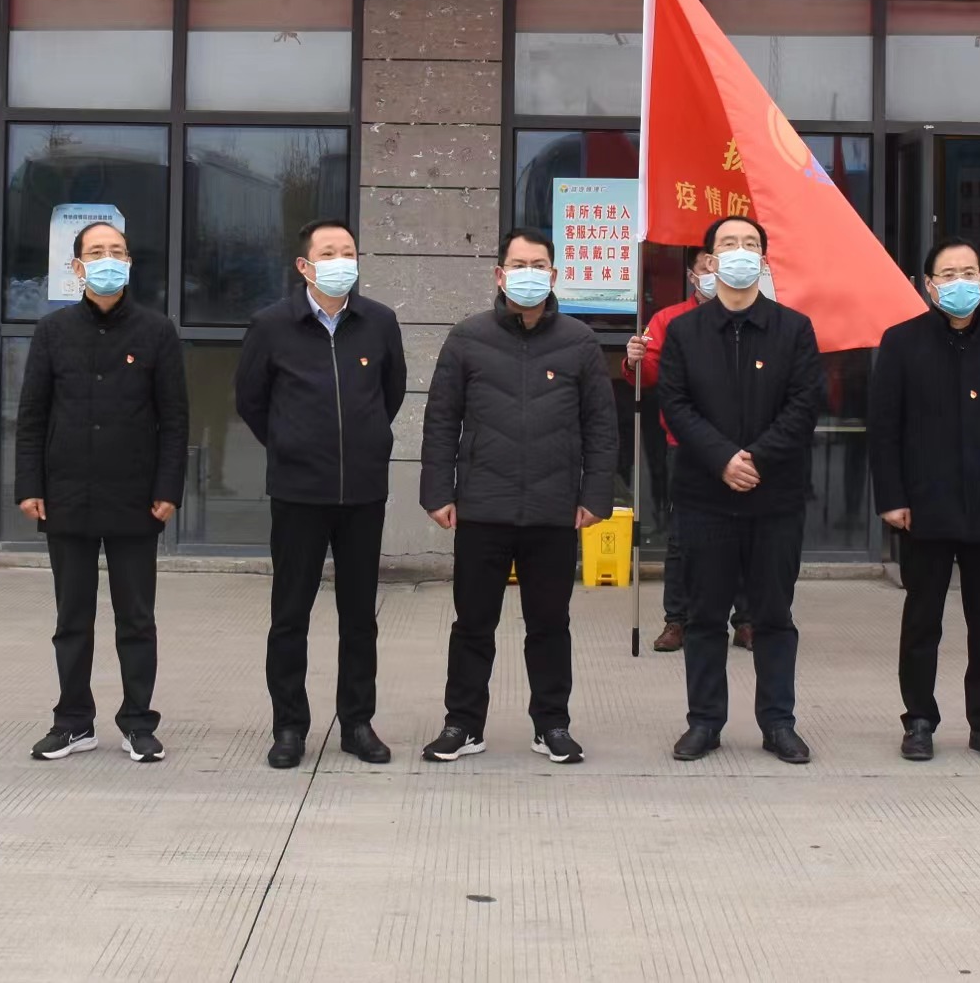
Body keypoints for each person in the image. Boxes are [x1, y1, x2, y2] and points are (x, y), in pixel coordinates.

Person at [419, 228, 620, 766]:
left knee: (550, 625)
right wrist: (437, 491)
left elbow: (601, 427)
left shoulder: (579, 341)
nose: (528, 274)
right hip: (483, 505)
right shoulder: (467, 337)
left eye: (538, 265)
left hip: (555, 509)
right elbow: (442, 420)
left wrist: (595, 495)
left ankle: (552, 725)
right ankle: (463, 724)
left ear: (553, 275)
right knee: (472, 624)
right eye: (518, 264)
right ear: (499, 274)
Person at [236, 219, 407, 769]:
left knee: (360, 617)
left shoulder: (379, 322)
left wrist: (366, 440)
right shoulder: (271, 326)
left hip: (362, 493)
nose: (341, 261)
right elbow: (250, 401)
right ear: (304, 266)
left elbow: (391, 394)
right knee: (290, 615)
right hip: (298, 493)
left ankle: (357, 723)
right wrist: (289, 443)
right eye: (328, 253)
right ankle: (289, 726)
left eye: (348, 252)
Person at [654, 215, 824, 766]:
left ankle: (778, 722)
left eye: (750, 244)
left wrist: (756, 459)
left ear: (764, 260)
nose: (740, 252)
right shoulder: (684, 331)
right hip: (704, 495)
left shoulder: (794, 329)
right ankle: (704, 722)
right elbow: (675, 403)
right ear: (709, 260)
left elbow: (803, 405)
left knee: (773, 616)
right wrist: (723, 458)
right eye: (729, 244)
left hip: (775, 499)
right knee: (704, 616)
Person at [16, 219, 189, 764]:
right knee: (72, 619)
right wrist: (29, 485)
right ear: (77, 267)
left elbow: (175, 419)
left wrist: (169, 487)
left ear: (129, 263)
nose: (108, 259)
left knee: (136, 618)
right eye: (96, 252)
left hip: (137, 496)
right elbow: (32, 415)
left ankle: (138, 722)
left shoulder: (157, 331)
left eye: (117, 250)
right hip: (66, 493)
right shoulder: (53, 331)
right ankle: (73, 722)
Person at [871, 239, 980, 763]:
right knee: (923, 620)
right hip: (925, 506)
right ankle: (919, 719)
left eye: (969, 272)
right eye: (948, 274)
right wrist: (891, 496)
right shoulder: (901, 342)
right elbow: (884, 428)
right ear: (929, 285)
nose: (959, 282)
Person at [625, 249, 747, 652]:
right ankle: (677, 619)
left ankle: (746, 619)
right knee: (682, 537)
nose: (715, 273)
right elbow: (649, 375)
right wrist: (635, 361)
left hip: (743, 446)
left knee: (745, 533)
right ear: (693, 276)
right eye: (706, 267)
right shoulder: (669, 320)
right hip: (687, 445)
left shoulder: (753, 318)